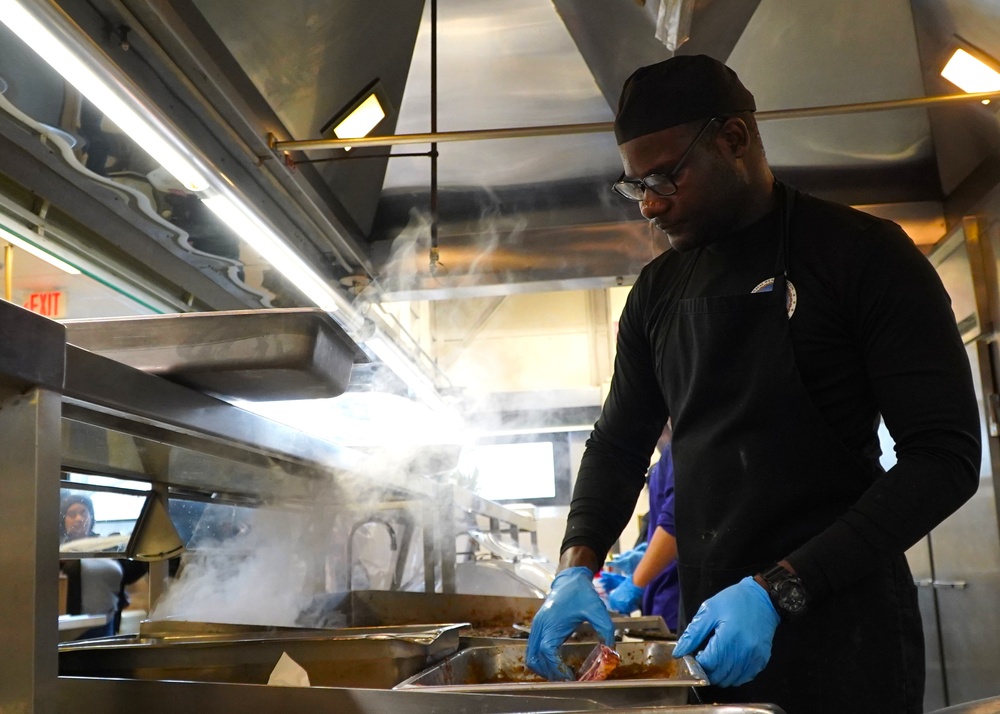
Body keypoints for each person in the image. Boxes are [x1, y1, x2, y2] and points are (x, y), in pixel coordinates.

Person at [526, 54, 981, 713]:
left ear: (733, 139)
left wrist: (778, 591)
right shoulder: (657, 293)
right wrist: (576, 566)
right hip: (712, 647)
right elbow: (619, 442)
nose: (650, 204)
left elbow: (945, 458)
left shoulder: (863, 256)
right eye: (635, 186)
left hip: (845, 635)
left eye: (665, 177)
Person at [605, 421, 679, 631]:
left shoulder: (681, 452)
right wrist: (646, 555)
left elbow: (675, 523)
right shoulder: (666, 459)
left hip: (677, 603)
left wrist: (636, 583)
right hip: (661, 600)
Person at [60, 493, 145, 638]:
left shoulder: (106, 546)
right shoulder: (59, 550)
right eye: (72, 514)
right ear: (63, 520)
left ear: (91, 517)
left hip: (108, 624)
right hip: (71, 628)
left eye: (83, 513)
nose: (79, 519)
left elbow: (128, 573)